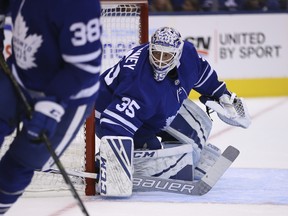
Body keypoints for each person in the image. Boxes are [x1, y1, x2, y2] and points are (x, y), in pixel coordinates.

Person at [95, 27, 251, 197]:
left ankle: (185, 159)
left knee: (199, 127)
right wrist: (113, 162)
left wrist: (223, 95)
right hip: (107, 113)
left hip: (154, 103)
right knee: (154, 156)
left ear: (177, 54)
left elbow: (202, 74)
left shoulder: (188, 55)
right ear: (150, 49)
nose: (160, 61)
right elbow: (114, 125)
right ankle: (100, 164)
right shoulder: (138, 83)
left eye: (167, 55)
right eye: (156, 54)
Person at [0, 0, 102, 214]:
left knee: (21, 161)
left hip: (68, 97)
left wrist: (50, 105)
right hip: (21, 75)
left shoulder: (78, 5)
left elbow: (84, 68)